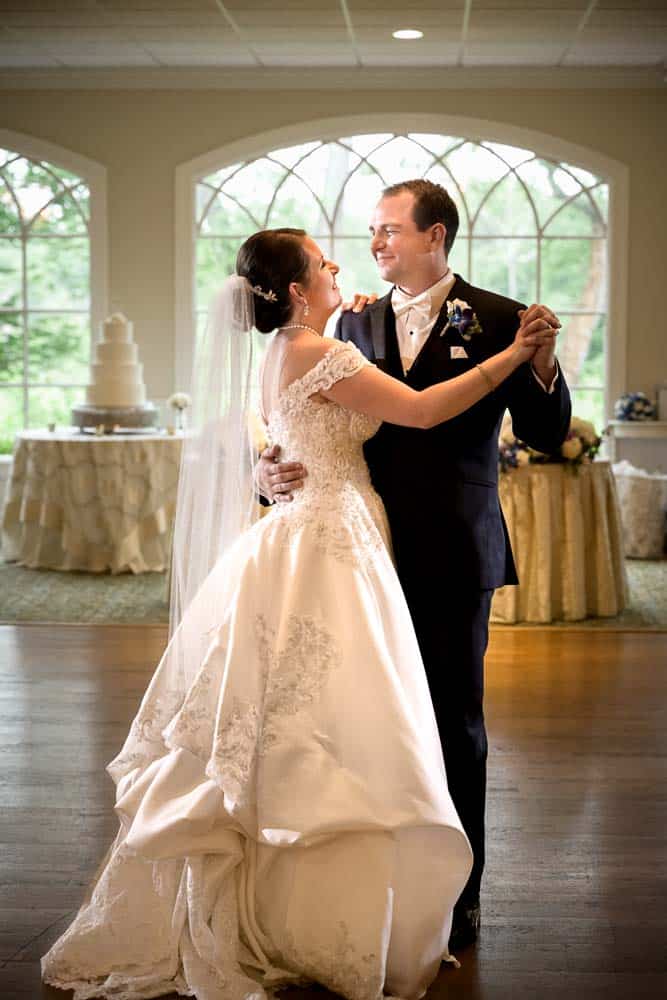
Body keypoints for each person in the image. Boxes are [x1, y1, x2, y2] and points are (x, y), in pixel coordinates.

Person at [41, 227, 559, 1000]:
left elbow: (291, 434)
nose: (343, 264)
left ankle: (316, 885)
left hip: (325, 532)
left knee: (297, 710)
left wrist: (268, 461)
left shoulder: (291, 347)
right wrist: (511, 357)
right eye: (322, 263)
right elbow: (416, 413)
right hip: (333, 538)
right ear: (292, 289)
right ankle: (321, 905)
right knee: (336, 713)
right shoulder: (323, 348)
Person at [256, 182, 572, 951]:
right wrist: (267, 477)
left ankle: (457, 897)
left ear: (435, 235)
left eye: (389, 230)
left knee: (452, 720)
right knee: (361, 719)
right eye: (369, 231)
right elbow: (295, 421)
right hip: (351, 546)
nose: (374, 244)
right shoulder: (347, 320)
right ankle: (371, 874)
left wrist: (543, 360)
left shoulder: (502, 319)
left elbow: (543, 432)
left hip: (452, 546)